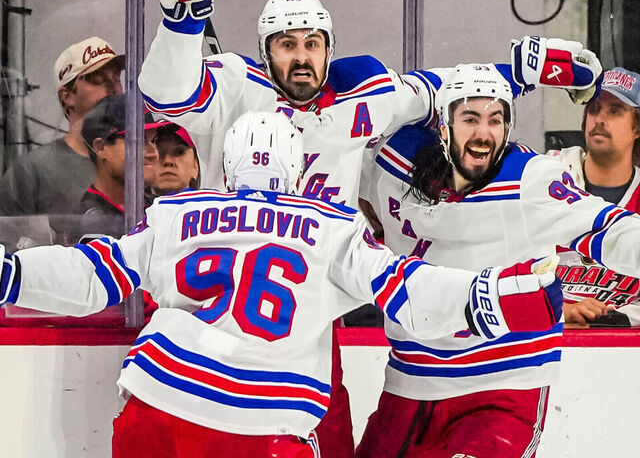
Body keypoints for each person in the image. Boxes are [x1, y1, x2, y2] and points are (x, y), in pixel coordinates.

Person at [139, 0, 601, 453]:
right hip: (219, 313)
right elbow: (165, 93)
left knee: (333, 440)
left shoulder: (365, 92)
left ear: (329, 47)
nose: (301, 57)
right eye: (286, 44)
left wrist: (521, 75)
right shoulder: (237, 86)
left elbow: (444, 92)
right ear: (264, 51)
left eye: (312, 44)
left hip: (310, 317)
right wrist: (183, 16)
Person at [0, 110, 562, 458]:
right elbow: (411, 292)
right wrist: (507, 296)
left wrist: (12, 275)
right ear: (297, 174)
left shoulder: (176, 213)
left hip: (158, 409)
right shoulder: (331, 226)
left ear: (226, 172)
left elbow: (92, 276)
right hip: (265, 426)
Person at [357, 63, 640, 458]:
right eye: (470, 118)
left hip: (503, 386)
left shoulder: (530, 180)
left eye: (495, 120)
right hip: (410, 383)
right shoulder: (394, 165)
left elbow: (610, 229)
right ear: (443, 125)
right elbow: (332, 176)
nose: (484, 133)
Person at [548, 67, 640, 327]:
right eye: (594, 108)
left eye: (615, 111)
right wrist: (560, 310)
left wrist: (621, 318)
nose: (600, 119)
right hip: (546, 343)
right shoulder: (546, 177)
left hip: (621, 352)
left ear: (637, 128)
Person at [0, 36, 124, 215]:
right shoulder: (31, 172)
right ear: (67, 96)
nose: (115, 88)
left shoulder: (138, 161)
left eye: (117, 78)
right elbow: (9, 237)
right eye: (98, 79)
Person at [79, 94, 163, 238]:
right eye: (138, 140)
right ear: (101, 147)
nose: (153, 153)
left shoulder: (156, 206)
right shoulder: (91, 221)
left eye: (154, 140)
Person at [152, 123, 201, 196]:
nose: (167, 161)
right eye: (159, 152)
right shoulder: (130, 206)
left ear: (195, 167)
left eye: (179, 152)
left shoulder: (214, 205)